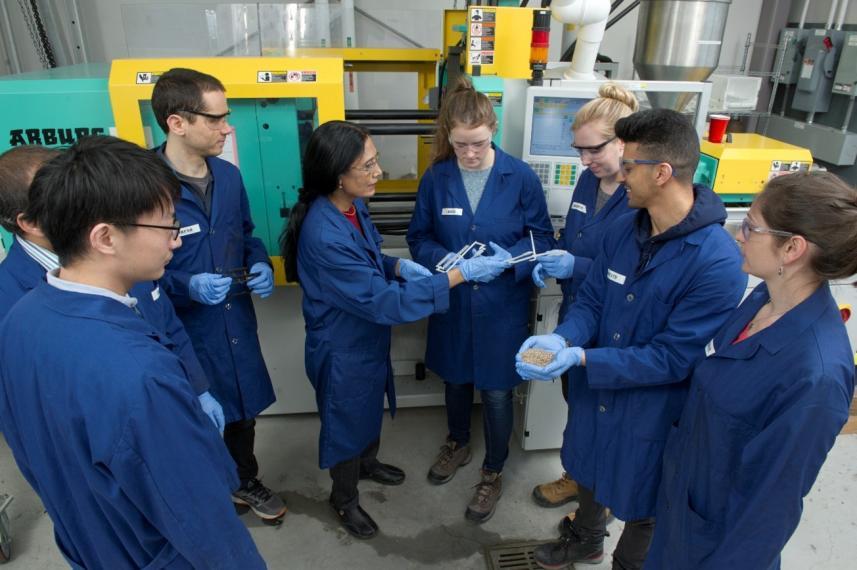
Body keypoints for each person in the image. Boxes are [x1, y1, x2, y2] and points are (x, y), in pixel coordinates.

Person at [0, 136, 265, 568]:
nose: (176, 241)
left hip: (93, 543)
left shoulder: (23, 319)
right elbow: (205, 526)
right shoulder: (139, 376)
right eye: (166, 226)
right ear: (105, 237)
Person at [516, 109, 748, 570]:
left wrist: (582, 358)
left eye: (630, 166)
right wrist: (561, 339)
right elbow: (594, 302)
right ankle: (585, 539)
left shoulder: (716, 262)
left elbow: (671, 359)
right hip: (596, 391)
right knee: (585, 464)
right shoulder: (626, 227)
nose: (620, 175)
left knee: (645, 495)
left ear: (662, 173)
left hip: (652, 408)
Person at [280, 120, 504, 539]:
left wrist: (398, 265)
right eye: (367, 166)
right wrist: (456, 275)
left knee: (368, 406)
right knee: (346, 418)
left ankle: (368, 463)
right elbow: (386, 303)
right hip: (343, 344)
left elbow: (369, 257)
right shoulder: (323, 233)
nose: (378, 172)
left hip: (365, 337)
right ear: (337, 175)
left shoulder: (350, 205)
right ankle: (343, 498)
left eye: (376, 161)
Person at [645, 172, 857, 570]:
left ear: (792, 248)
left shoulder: (816, 377)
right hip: (683, 509)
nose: (737, 236)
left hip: (718, 547)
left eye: (750, 227)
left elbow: (768, 513)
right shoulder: (763, 297)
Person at [407, 79, 553, 523]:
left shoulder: (520, 176)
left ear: (493, 130)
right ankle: (457, 442)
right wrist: (443, 260)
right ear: (447, 137)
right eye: (459, 145)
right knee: (453, 378)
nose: (469, 154)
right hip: (452, 299)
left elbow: (542, 237)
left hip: (501, 306)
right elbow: (419, 237)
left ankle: (492, 470)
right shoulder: (437, 177)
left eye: (478, 144)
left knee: (494, 391)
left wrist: (510, 260)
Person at [0, 146, 225, 431]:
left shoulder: (128, 257)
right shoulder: (13, 306)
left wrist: (197, 388)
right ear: (29, 222)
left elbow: (167, 322)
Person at [152, 68, 286, 522]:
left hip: (234, 319)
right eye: (216, 118)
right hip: (182, 330)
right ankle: (203, 494)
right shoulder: (144, 186)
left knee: (242, 409)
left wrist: (261, 262)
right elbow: (128, 272)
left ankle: (244, 481)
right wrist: (185, 285)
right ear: (177, 122)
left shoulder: (227, 177)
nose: (227, 127)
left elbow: (246, 235)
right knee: (191, 417)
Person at [530, 83, 639, 513]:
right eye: (579, 150)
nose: (584, 160)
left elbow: (632, 274)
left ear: (624, 142)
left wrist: (573, 266)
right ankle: (578, 476)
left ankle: (601, 496)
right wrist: (552, 254)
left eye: (593, 150)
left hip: (614, 326)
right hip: (578, 312)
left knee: (604, 412)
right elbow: (575, 238)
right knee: (575, 401)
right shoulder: (587, 183)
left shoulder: (639, 199)